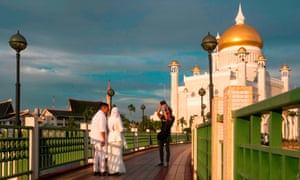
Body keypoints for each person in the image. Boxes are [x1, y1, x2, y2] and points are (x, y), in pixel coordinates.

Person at [90, 103, 109, 176]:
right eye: (107, 109)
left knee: (96, 155)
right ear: (103, 108)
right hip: (100, 138)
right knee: (102, 155)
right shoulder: (102, 116)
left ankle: (95, 170)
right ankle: (102, 170)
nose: (108, 110)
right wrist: (103, 139)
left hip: (95, 138)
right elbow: (102, 129)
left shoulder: (96, 116)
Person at [107, 107, 127, 175]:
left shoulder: (109, 119)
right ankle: (117, 170)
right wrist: (125, 129)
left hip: (111, 138)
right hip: (117, 138)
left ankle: (111, 170)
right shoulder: (118, 119)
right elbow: (121, 129)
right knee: (118, 155)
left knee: (111, 155)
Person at [156, 100, 174, 167]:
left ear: (169, 112)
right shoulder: (163, 116)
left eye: (167, 111)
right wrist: (160, 106)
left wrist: (164, 110)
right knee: (160, 149)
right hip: (162, 135)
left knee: (167, 149)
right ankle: (161, 161)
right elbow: (158, 114)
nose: (166, 112)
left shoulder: (172, 118)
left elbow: (167, 119)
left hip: (167, 135)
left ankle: (167, 162)